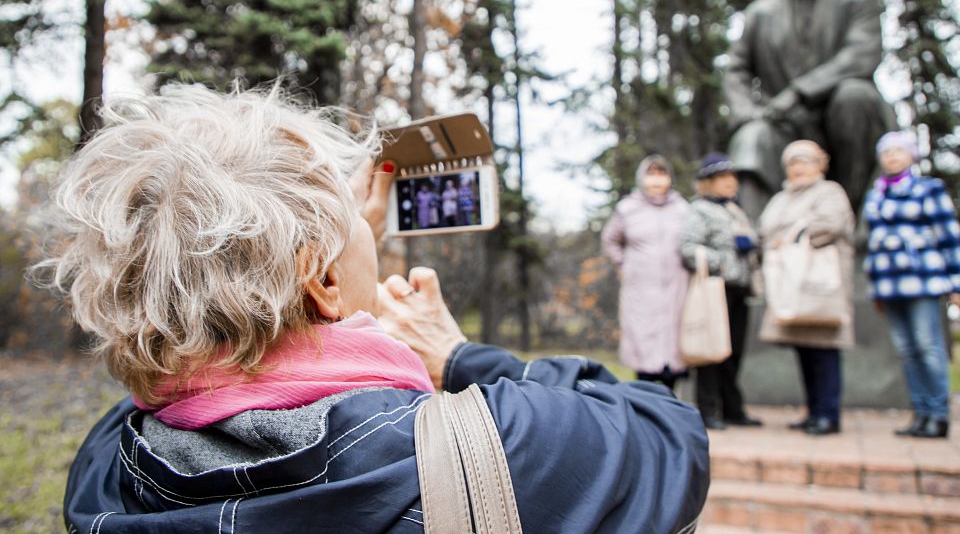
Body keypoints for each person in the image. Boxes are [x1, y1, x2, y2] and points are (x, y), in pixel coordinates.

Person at [47, 84, 710, 533]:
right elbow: (669, 434)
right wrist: (456, 356)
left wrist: (336, 260)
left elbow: (194, 358)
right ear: (322, 278)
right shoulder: (490, 449)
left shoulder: (108, 464)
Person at [724, 0, 896, 221]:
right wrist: (746, 110)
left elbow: (861, 55)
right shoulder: (761, 14)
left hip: (842, 118)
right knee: (752, 137)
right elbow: (736, 69)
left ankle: (855, 220)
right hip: (783, 124)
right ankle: (756, 241)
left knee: (855, 96)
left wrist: (798, 93)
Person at [864, 131, 960, 439]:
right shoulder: (877, 194)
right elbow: (875, 244)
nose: (892, 157)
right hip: (890, 285)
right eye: (886, 153)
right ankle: (920, 413)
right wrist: (875, 287)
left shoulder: (929, 189)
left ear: (911, 155)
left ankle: (939, 414)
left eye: (898, 151)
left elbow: (949, 237)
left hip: (924, 281)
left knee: (928, 346)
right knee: (907, 351)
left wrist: (958, 283)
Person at [758, 140, 855, 436]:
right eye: (793, 163)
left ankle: (828, 412)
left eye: (805, 161)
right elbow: (765, 230)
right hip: (790, 284)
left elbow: (829, 226)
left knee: (824, 350)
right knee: (805, 351)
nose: (798, 168)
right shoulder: (780, 198)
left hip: (818, 283)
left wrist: (788, 236)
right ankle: (814, 410)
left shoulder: (830, 192)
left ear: (819, 165)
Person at [679, 153, 762, 430]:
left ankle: (733, 407)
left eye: (731, 177)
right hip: (715, 288)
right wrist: (722, 261)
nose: (729, 183)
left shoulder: (736, 210)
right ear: (708, 182)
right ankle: (707, 409)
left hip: (740, 289)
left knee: (734, 351)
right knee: (711, 351)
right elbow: (688, 248)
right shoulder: (699, 210)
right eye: (722, 178)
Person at [601, 155, 691, 392]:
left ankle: (673, 400)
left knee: (675, 339)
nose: (657, 180)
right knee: (643, 339)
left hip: (676, 285)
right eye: (651, 174)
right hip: (641, 286)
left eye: (662, 174)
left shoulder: (682, 208)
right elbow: (610, 239)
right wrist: (624, 264)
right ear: (642, 178)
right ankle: (645, 396)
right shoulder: (628, 208)